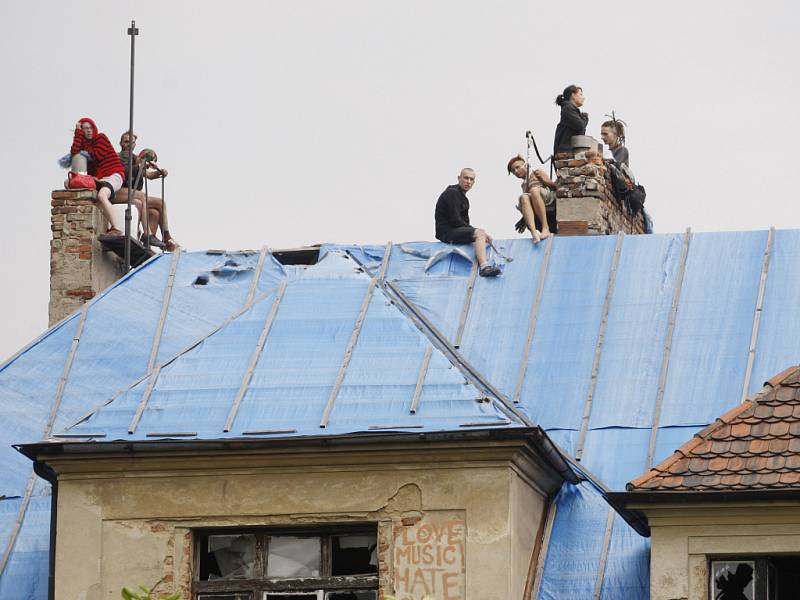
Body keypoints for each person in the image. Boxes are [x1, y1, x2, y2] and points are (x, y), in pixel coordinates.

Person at [117, 131, 179, 251]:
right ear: (121, 143)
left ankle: (149, 242)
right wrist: (140, 166)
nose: (129, 144)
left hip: (134, 194)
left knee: (154, 213)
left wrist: (159, 173)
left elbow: (148, 175)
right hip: (122, 191)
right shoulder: (120, 157)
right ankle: (166, 237)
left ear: (135, 144)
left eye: (132, 142)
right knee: (160, 202)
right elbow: (124, 170)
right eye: (126, 141)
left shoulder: (137, 159)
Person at [434, 168, 501, 277]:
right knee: (480, 233)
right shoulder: (452, 193)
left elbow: (465, 223)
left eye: (471, 179)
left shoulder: (463, 198)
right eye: (466, 178)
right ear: (459, 178)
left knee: (480, 234)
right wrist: (479, 233)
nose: (468, 181)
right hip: (447, 232)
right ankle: (484, 268)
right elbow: (456, 220)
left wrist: (479, 234)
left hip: (454, 230)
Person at [68, 118, 126, 235]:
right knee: (69, 183)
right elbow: (75, 152)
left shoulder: (101, 138)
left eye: (90, 128)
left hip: (114, 174)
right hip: (100, 178)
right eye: (85, 128)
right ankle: (106, 228)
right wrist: (78, 134)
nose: (89, 131)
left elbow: (95, 156)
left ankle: (116, 228)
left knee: (102, 195)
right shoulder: (84, 146)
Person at [507, 155, 553, 243]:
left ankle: (545, 228)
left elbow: (554, 187)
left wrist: (546, 181)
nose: (516, 171)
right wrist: (523, 219)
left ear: (525, 165)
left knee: (534, 190)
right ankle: (534, 233)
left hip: (546, 197)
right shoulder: (523, 185)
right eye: (513, 171)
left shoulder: (537, 173)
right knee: (523, 197)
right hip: (534, 200)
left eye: (517, 167)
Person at [553, 85, 588, 155]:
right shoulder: (568, 108)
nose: (583, 98)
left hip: (568, 151)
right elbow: (580, 126)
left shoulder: (569, 109)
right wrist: (585, 118)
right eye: (580, 94)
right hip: (566, 152)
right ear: (573, 95)